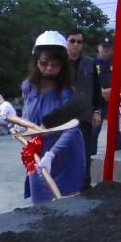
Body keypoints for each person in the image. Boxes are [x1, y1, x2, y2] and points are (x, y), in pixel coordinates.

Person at [21, 31, 86, 203]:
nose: (49, 67)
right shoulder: (28, 87)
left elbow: (71, 129)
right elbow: (26, 117)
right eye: (44, 62)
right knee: (41, 206)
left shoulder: (68, 93)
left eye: (55, 64)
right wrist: (19, 127)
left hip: (65, 155)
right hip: (38, 156)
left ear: (63, 66)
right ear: (36, 61)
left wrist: (52, 154)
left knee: (66, 204)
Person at [65, 28, 103, 190]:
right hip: (64, 116)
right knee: (66, 151)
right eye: (72, 41)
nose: (75, 45)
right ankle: (66, 186)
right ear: (66, 42)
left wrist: (97, 111)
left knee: (85, 152)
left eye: (79, 42)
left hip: (85, 115)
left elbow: (96, 89)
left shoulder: (89, 63)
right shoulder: (58, 63)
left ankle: (85, 186)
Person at [94, 36, 121, 150]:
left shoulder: (117, 63)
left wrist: (112, 90)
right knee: (95, 128)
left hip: (113, 98)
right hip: (97, 100)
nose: (105, 49)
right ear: (98, 48)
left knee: (114, 129)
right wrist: (99, 90)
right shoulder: (92, 63)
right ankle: (91, 155)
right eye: (103, 47)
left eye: (108, 47)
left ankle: (118, 153)